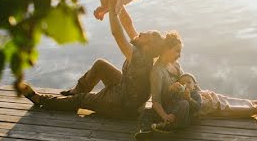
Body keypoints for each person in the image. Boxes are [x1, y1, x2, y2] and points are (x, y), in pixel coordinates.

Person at [17, 6, 168, 119]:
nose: (141, 33)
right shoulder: (143, 50)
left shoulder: (140, 59)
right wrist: (115, 4)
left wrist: (112, 5)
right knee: (100, 65)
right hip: (126, 90)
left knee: (81, 100)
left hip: (122, 106)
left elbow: (117, 33)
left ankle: (41, 99)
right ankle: (78, 89)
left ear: (147, 45)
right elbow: (128, 24)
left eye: (146, 35)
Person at [173, 72, 257, 120]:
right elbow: (196, 107)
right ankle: (256, 110)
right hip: (212, 108)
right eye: (183, 83)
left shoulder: (195, 90)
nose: (185, 84)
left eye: (188, 82)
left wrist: (205, 93)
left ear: (195, 85)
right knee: (228, 107)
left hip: (213, 100)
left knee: (228, 99)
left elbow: (198, 90)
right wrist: (187, 97)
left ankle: (254, 102)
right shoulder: (185, 95)